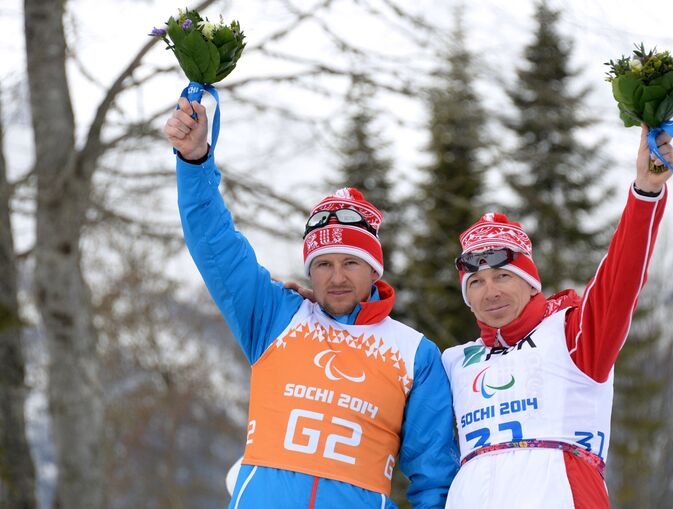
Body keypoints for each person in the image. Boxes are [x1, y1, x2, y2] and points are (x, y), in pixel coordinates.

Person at [163, 98, 459, 508]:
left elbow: (435, 479)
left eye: (351, 263)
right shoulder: (274, 317)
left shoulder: (415, 354)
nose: (336, 278)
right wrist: (195, 161)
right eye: (323, 264)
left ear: (375, 271)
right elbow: (215, 244)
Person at [441, 126, 673, 508]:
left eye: (503, 276)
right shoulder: (454, 361)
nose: (491, 291)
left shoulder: (573, 334)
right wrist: (313, 307)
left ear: (532, 284)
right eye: (477, 282)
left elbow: (620, 279)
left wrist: (645, 194)